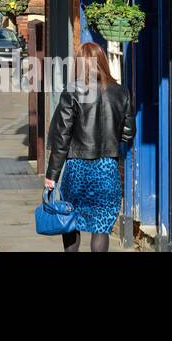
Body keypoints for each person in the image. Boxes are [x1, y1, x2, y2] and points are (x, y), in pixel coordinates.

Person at [44, 42, 135, 252]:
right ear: (102, 61)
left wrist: (52, 176)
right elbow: (129, 133)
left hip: (77, 168)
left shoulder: (72, 92)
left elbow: (62, 138)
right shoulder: (121, 92)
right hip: (106, 168)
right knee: (101, 225)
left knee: (70, 219)